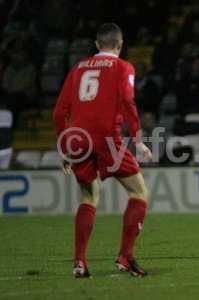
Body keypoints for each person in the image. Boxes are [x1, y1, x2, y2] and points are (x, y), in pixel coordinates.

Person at [53, 23, 152, 278]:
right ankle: (125, 257)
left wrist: (65, 146)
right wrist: (139, 139)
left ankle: (80, 262)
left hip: (78, 140)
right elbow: (128, 100)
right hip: (107, 138)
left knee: (88, 198)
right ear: (120, 45)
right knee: (139, 192)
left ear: (97, 45)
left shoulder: (78, 68)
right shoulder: (123, 67)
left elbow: (58, 112)